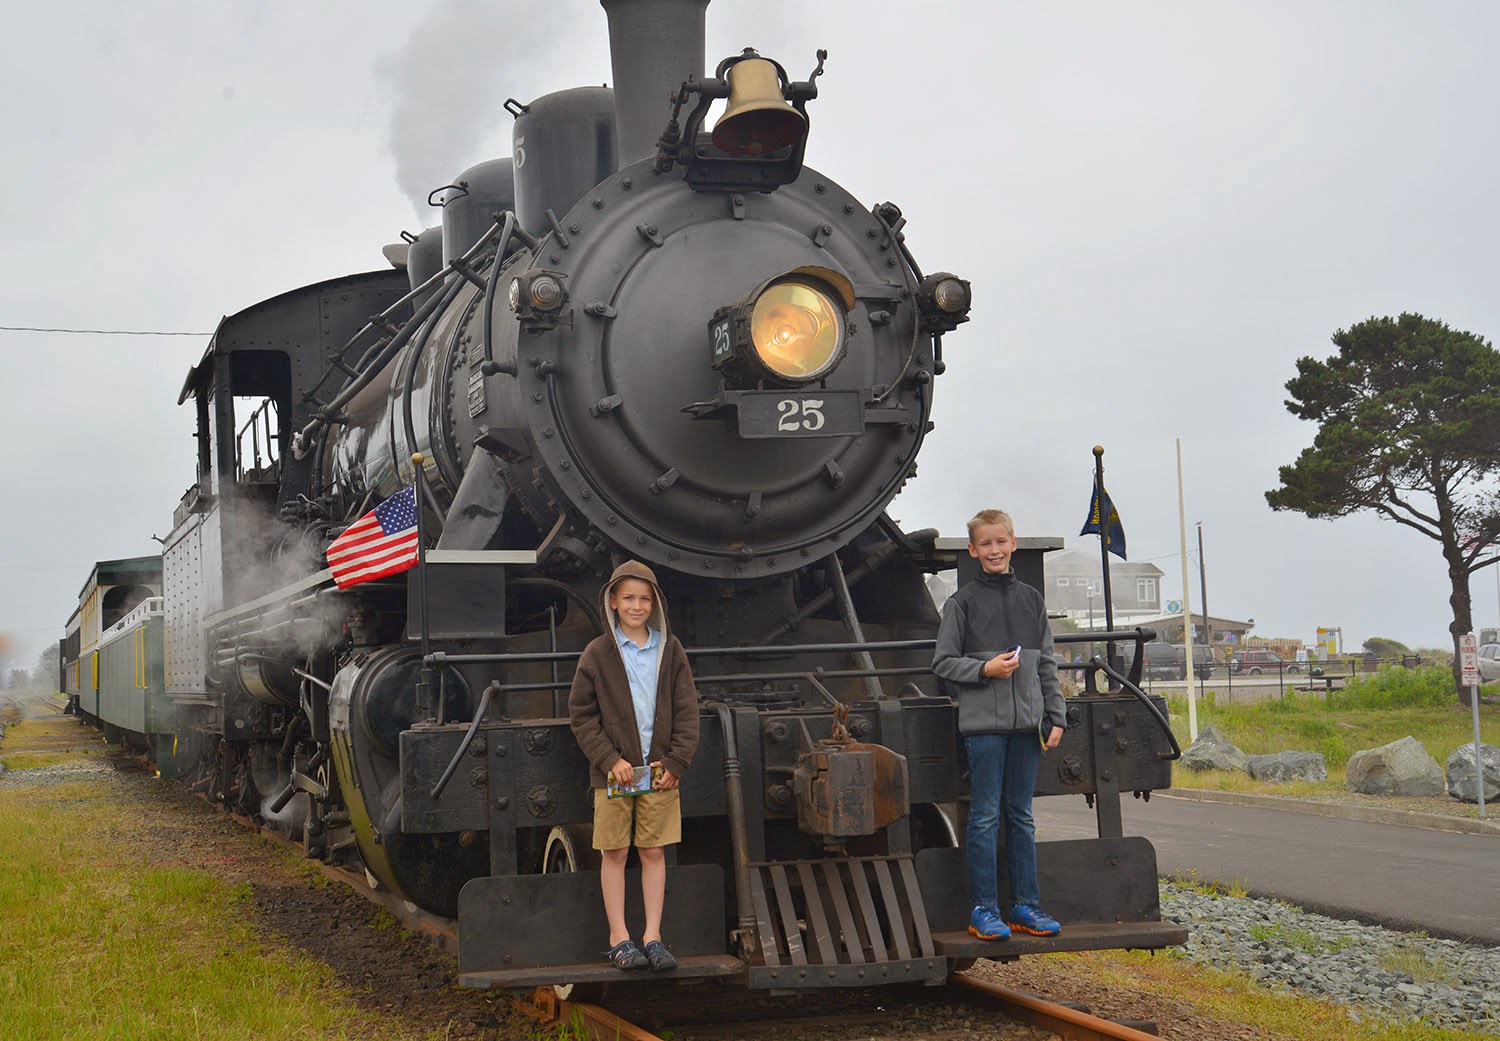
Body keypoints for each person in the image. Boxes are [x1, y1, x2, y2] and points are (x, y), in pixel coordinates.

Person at [932, 509, 1066, 941]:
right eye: (985, 544)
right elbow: (943, 662)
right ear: (973, 550)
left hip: (1028, 726)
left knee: (1021, 816)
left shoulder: (1032, 600)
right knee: (985, 816)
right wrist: (984, 669)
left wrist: (1056, 715)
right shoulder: (961, 603)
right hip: (984, 728)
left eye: (1000, 542)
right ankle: (983, 909)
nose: (994, 550)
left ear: (1013, 544)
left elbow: (1046, 664)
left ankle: (1026, 905)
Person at [568, 560, 700, 971]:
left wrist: (677, 760)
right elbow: (581, 715)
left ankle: (653, 937)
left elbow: (687, 709)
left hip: (659, 773)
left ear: (655, 603)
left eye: (644, 599)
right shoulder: (596, 654)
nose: (636, 606)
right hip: (615, 773)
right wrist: (610, 759)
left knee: (654, 851)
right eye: (628, 598)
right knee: (615, 851)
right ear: (613, 601)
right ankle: (619, 938)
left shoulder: (670, 650)